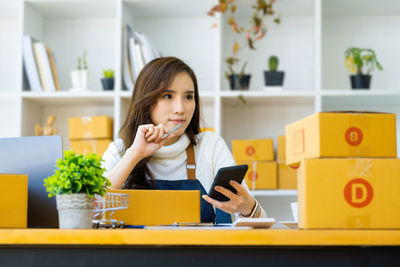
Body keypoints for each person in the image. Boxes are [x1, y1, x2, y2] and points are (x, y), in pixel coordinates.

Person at [102, 57, 266, 223]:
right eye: (168, 96)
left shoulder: (210, 146)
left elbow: (257, 226)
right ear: (146, 102)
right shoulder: (120, 151)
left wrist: (249, 208)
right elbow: (90, 211)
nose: (180, 109)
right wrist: (135, 155)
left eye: (188, 97)